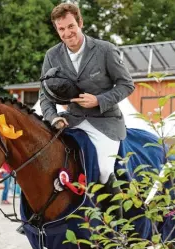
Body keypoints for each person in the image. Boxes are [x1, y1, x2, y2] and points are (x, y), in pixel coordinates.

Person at [40, 3, 135, 217]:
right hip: (71, 120)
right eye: (61, 29)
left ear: (80, 23)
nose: (67, 33)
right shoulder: (51, 56)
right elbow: (44, 95)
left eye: (71, 26)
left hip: (105, 122)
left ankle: (116, 229)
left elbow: (127, 84)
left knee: (103, 170)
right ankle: (41, 216)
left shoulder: (105, 49)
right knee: (46, 158)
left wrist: (99, 100)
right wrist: (53, 117)